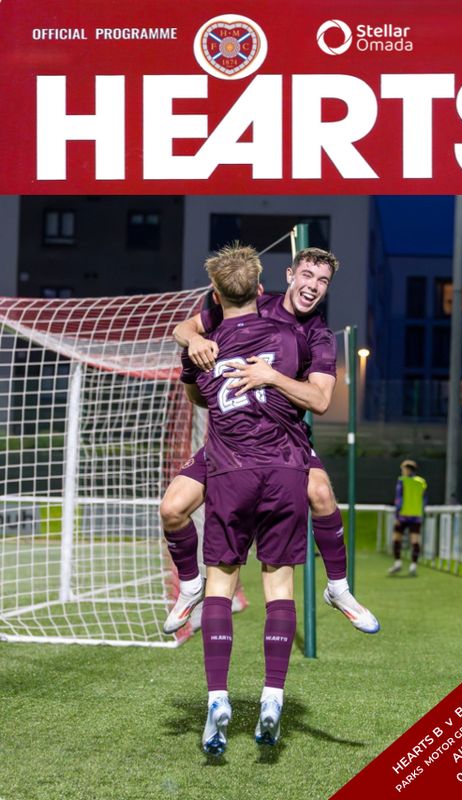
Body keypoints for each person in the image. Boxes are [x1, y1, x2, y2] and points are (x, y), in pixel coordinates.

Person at [161, 247, 379, 637]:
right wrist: (192, 341)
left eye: (323, 281)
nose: (313, 286)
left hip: (283, 442)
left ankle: (339, 588)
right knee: (173, 508)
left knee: (322, 494)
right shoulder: (255, 303)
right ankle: (191, 584)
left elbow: (321, 400)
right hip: (228, 441)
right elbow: (184, 328)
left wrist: (272, 377)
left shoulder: (319, 336)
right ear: (291, 274)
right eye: (308, 275)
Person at [181, 243, 312, 754]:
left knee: (220, 583)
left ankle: (218, 698)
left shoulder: (202, 344)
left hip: (231, 473)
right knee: (279, 586)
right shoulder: (292, 334)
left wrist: (196, 343)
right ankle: (273, 698)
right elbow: (306, 391)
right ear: (261, 290)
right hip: (284, 472)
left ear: (214, 294)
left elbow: (197, 395)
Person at [388, 459, 428, 576]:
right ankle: (413, 565)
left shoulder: (402, 481)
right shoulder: (421, 482)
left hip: (403, 516)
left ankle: (398, 563)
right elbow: (424, 499)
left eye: (403, 469)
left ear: (408, 470)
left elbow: (399, 499)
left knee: (396, 539)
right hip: (416, 516)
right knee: (415, 541)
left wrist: (397, 514)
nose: (402, 472)